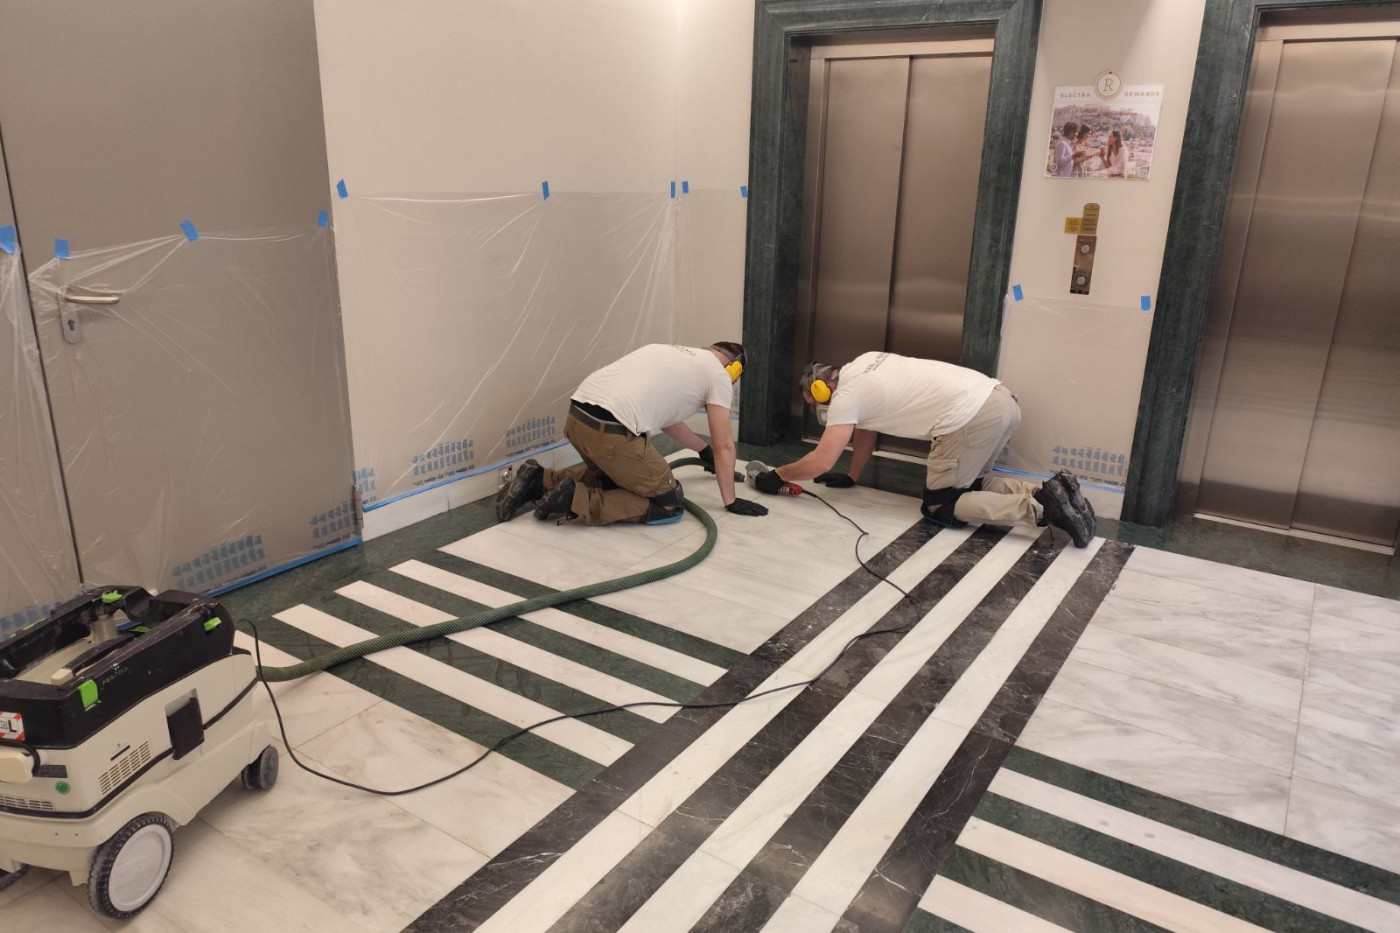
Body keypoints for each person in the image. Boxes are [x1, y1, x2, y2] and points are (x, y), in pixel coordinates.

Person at [748, 353, 1096, 547]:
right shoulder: (865, 363)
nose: (820, 407)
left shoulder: (846, 396)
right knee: (972, 485)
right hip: (1001, 400)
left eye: (815, 401)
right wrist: (853, 475)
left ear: (822, 388)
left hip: (969, 417)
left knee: (941, 505)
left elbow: (822, 460)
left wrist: (776, 476)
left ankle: (1040, 508)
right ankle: (1055, 492)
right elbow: (867, 427)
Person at [495, 342, 769, 526]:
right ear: (734, 370)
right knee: (669, 502)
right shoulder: (719, 376)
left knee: (612, 479)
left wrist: (702, 451)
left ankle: (538, 480)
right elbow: (724, 446)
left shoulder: (666, 350)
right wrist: (731, 501)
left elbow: (670, 422)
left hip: (577, 419)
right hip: (612, 433)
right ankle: (574, 500)